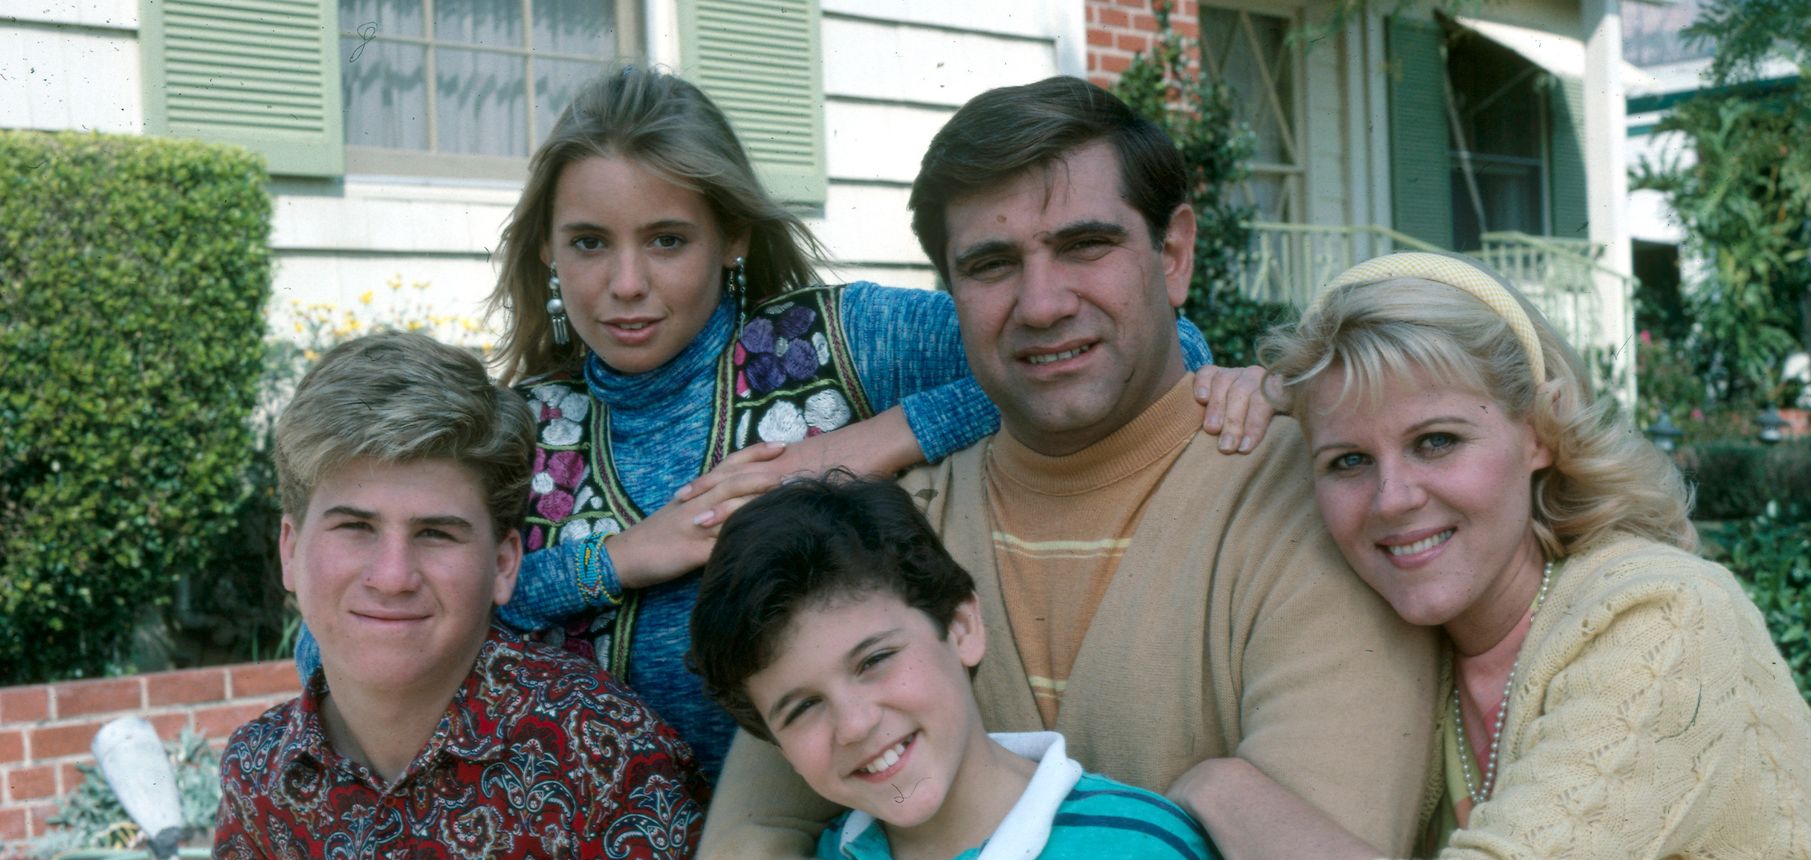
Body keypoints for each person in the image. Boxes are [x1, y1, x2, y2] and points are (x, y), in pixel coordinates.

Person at [686, 77, 1438, 860]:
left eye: (1085, 246)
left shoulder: (1313, 505)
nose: (1042, 303)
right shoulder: (882, 539)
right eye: (992, 264)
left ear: (1172, 254)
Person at [1168, 252, 1811, 860]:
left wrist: (1214, 784)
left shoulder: (1660, 617)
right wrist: (1271, 395)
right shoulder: (1409, 653)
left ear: (1538, 434)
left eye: (1437, 441)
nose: (1392, 497)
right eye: (1348, 461)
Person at [482, 66, 1278, 781]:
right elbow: (454, 603)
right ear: (547, 251)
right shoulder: (527, 426)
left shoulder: (831, 343)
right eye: (588, 243)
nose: (626, 283)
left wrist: (872, 439)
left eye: (666, 240)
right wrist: (624, 559)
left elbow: (1147, 348)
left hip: (835, 851)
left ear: (732, 237)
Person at [133, 333, 727, 860]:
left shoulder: (594, 752)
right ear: (290, 550)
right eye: (355, 527)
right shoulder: (266, 768)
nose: (392, 575)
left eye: (436, 535)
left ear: (505, 563)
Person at [683, 474, 1308, 860]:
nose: (853, 725)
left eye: (875, 660)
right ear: (777, 746)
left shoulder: (1147, 850)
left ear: (962, 628)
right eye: (802, 708)